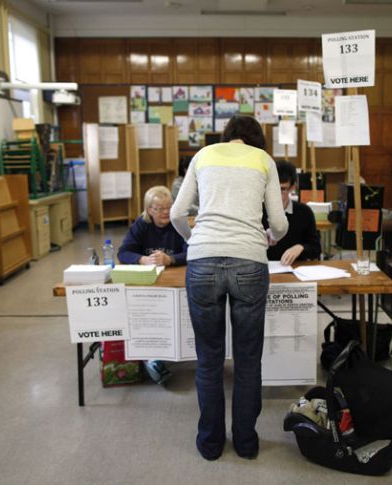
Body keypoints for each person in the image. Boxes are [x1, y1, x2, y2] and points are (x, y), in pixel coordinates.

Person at [170, 115, 288, 461]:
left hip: (203, 262)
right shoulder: (263, 160)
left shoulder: (203, 155)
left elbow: (178, 213)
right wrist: (268, 238)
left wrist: (198, 242)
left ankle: (209, 443)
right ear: (256, 140)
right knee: (248, 361)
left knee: (208, 361)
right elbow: (279, 224)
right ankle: (247, 443)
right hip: (250, 261)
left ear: (227, 136)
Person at [118, 185, 188, 385]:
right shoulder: (141, 224)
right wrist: (141, 259)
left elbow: (192, 251)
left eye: (169, 207)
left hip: (174, 281)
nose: (165, 212)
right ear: (149, 210)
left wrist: (170, 259)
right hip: (148, 282)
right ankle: (151, 354)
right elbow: (123, 252)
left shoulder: (178, 223)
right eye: (159, 208)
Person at [262, 160, 321, 265]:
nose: (276, 194)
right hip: (265, 269)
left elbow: (316, 249)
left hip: (294, 270)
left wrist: (301, 248)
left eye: (282, 189)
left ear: (292, 188)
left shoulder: (304, 212)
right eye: (273, 189)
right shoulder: (258, 211)